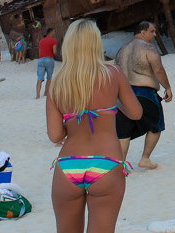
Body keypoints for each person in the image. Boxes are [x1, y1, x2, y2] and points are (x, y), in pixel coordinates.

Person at [46, 19, 142, 233]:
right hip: (106, 162)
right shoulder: (113, 74)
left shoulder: (57, 82)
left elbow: (55, 135)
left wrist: (73, 118)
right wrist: (110, 104)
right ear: (95, 43)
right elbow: (136, 113)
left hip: (68, 164)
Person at [114, 21, 173, 170]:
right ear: (142, 31)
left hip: (123, 95)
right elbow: (158, 69)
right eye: (152, 31)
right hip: (145, 93)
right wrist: (168, 87)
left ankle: (120, 165)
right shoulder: (148, 47)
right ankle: (145, 158)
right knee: (156, 126)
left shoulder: (122, 50)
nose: (154, 35)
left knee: (123, 131)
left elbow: (116, 73)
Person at [36, 28, 59, 99]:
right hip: (49, 59)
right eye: (54, 31)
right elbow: (54, 51)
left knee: (39, 78)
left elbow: (39, 52)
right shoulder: (54, 41)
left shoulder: (41, 41)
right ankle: (46, 93)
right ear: (51, 32)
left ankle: (37, 95)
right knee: (49, 77)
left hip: (41, 60)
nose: (54, 33)